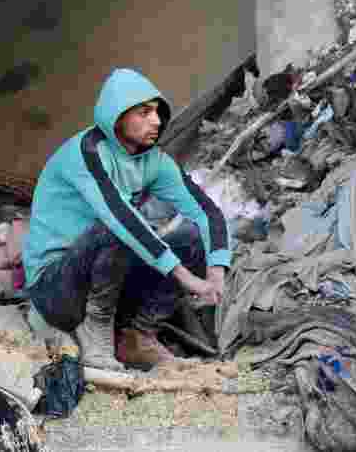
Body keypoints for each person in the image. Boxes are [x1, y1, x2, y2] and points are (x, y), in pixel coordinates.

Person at [23, 68, 232, 371]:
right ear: (116, 116)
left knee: (193, 238)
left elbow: (206, 212)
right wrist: (185, 277)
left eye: (158, 112)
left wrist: (216, 270)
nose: (157, 121)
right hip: (57, 289)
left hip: (112, 281)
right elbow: (120, 218)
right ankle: (96, 330)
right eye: (144, 112)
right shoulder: (86, 152)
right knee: (119, 227)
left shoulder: (154, 161)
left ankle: (137, 336)